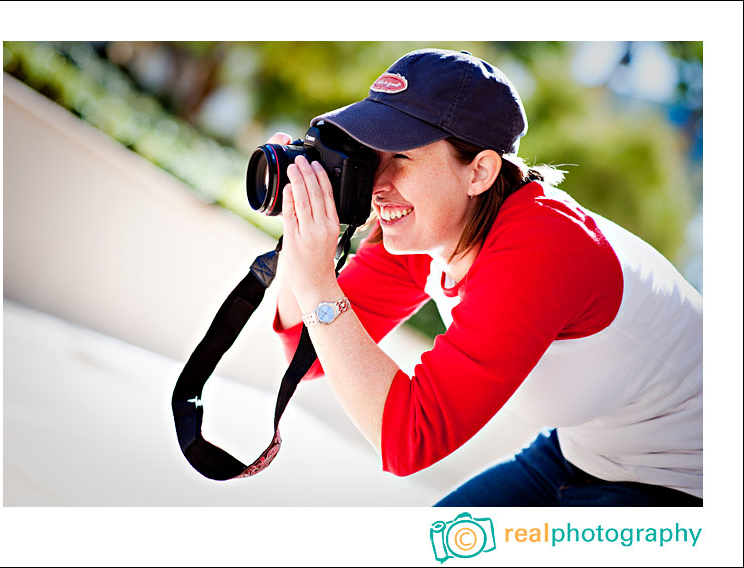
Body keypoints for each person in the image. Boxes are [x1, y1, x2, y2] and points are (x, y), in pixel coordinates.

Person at [268, 48, 702, 506]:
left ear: (479, 171)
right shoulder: (429, 226)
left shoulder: (543, 251)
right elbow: (307, 353)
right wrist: (300, 243)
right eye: (374, 155)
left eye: (401, 157)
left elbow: (409, 438)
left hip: (690, 484)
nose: (378, 183)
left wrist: (318, 284)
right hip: (582, 452)